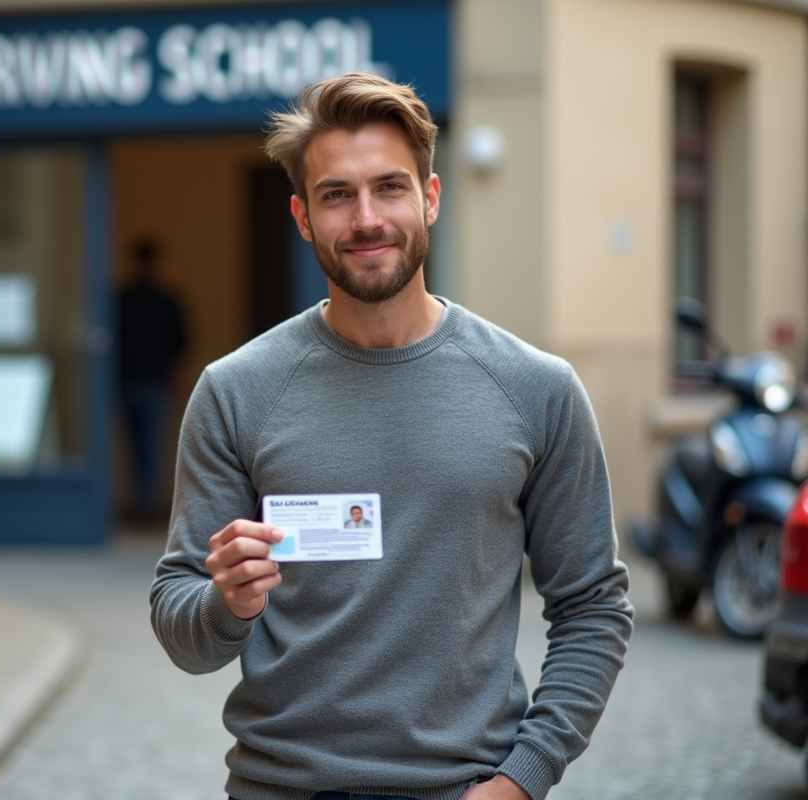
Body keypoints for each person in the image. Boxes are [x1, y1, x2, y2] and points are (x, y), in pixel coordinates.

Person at [149, 72, 632, 800]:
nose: (367, 218)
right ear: (303, 217)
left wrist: (519, 782)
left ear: (430, 199)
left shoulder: (537, 388)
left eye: (390, 187)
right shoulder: (235, 390)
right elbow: (180, 623)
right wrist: (227, 604)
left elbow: (593, 606)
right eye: (337, 194)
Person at [117, 240, 187, 521]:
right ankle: (145, 506)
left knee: (134, 446)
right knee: (149, 446)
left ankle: (139, 504)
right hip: (155, 382)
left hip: (126, 381)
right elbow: (181, 342)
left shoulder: (121, 299)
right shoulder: (166, 299)